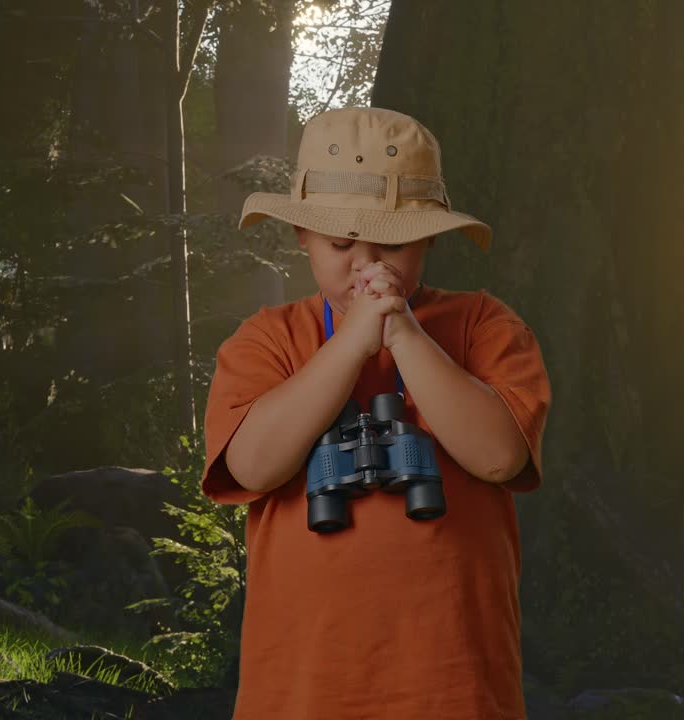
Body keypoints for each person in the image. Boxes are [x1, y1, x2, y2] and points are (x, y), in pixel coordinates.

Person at [200, 106, 551, 719]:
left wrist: (405, 337)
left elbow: (499, 457)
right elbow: (253, 467)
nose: (367, 265)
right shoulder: (267, 340)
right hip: (302, 688)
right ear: (301, 237)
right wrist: (352, 344)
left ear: (429, 240)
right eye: (340, 243)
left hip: (454, 684)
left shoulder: (483, 326)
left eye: (392, 243)